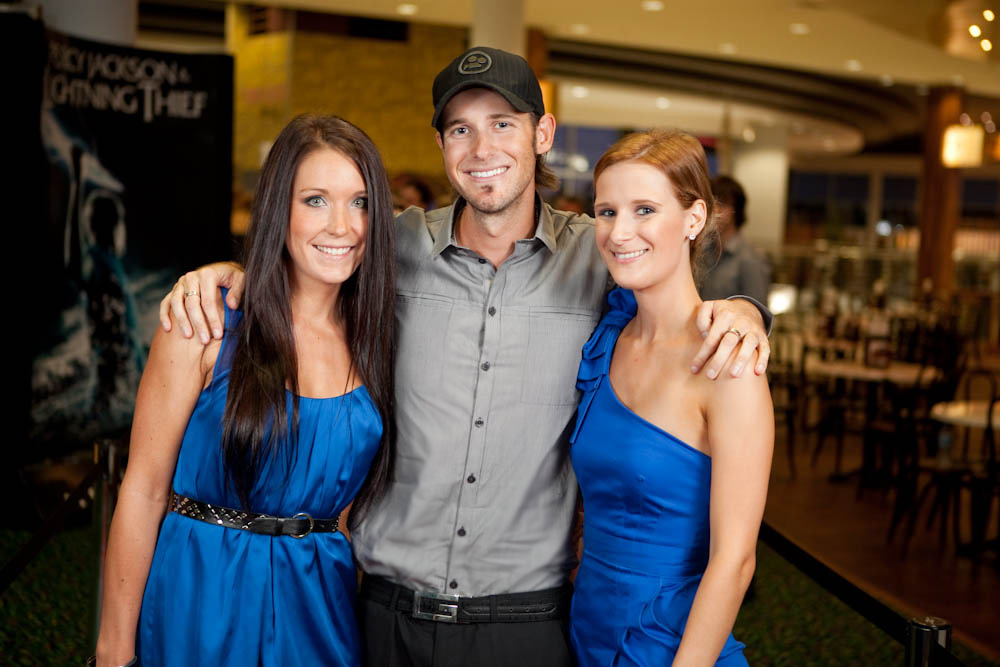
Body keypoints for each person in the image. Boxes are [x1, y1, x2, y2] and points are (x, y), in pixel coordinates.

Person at [158, 47, 772, 666]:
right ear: (442, 144)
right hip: (383, 614)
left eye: (503, 123)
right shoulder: (389, 249)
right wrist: (226, 276)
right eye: (460, 129)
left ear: (543, 133)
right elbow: (308, 260)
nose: (482, 149)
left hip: (526, 624)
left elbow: (667, 276)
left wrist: (746, 309)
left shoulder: (599, 256)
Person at [94, 115, 396, 667]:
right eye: (315, 200)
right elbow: (142, 490)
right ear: (278, 206)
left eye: (360, 202)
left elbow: (351, 514)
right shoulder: (206, 322)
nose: (343, 226)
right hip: (200, 596)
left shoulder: (376, 339)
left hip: (320, 606)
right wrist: (113, 651)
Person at [570, 130, 773, 666]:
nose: (620, 232)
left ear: (694, 219)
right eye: (607, 212)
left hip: (674, 646)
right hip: (586, 630)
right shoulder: (607, 338)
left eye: (644, 209)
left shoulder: (728, 362)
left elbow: (735, 562)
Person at [699, 175, 771, 305]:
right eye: (711, 204)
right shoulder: (704, 250)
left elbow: (757, 312)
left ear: (736, 210)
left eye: (722, 204)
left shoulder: (750, 258)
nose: (715, 211)